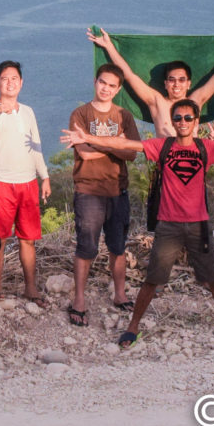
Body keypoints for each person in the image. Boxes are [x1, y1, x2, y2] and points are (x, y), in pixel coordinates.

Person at [61, 99, 214, 348]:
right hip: (169, 226)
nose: (183, 122)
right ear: (173, 122)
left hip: (199, 225)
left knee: (213, 279)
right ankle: (133, 327)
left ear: (196, 121)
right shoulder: (162, 146)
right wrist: (87, 137)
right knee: (153, 280)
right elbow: (124, 143)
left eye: (188, 118)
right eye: (178, 118)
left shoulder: (206, 148)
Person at [66, 64, 141, 327]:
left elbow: (133, 152)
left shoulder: (124, 115)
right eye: (102, 83)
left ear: (118, 89)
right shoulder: (80, 114)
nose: (106, 88)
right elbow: (84, 153)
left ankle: (120, 294)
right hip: (88, 190)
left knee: (117, 246)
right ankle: (79, 300)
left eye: (112, 85)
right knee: (86, 247)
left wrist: (94, 141)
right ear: (95, 82)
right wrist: (115, 143)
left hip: (117, 189)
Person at [86, 25, 214, 137]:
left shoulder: (195, 101)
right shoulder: (156, 101)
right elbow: (129, 75)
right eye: (172, 80)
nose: (177, 84)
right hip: (166, 163)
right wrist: (108, 46)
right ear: (165, 83)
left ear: (189, 83)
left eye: (182, 80)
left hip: (192, 162)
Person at [0, 60, 51, 305]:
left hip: (28, 183)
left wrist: (45, 176)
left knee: (28, 238)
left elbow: (36, 145)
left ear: (21, 82)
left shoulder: (28, 111)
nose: (10, 83)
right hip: (0, 182)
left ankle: (30, 287)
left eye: (14, 78)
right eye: (4, 79)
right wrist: (2, 109)